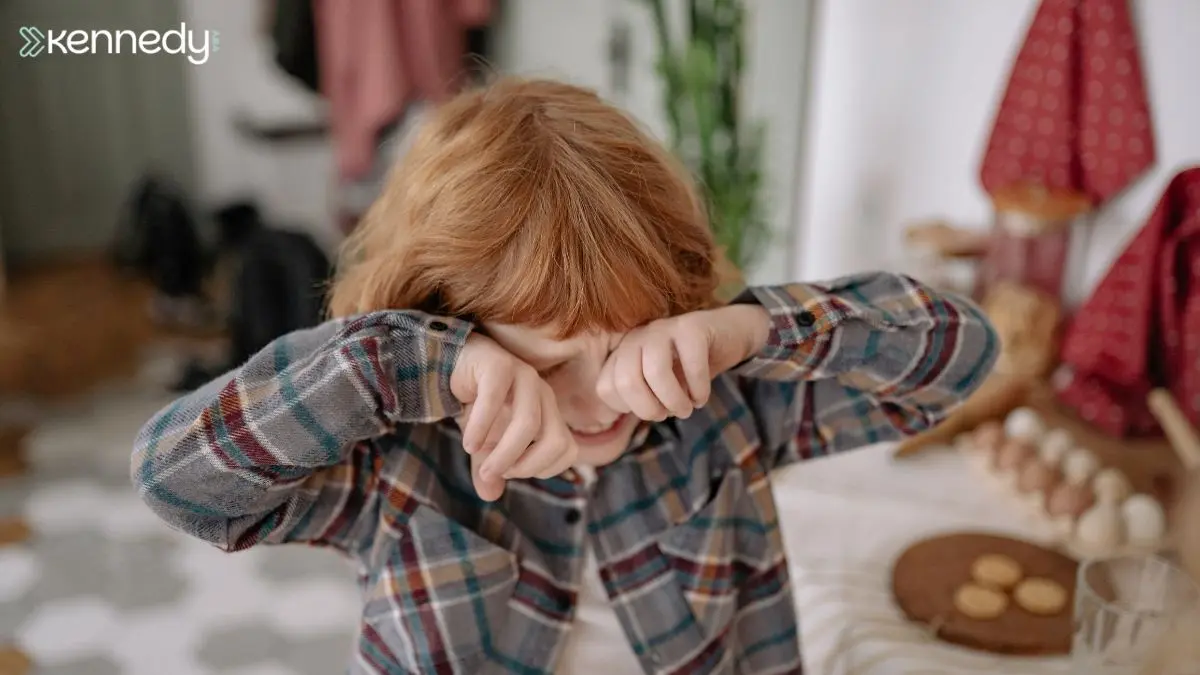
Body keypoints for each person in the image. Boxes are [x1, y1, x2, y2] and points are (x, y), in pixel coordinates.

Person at [131, 77, 998, 675]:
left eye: (627, 342)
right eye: (546, 364)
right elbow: (179, 482)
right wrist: (403, 364)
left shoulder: (723, 407)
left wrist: (754, 325)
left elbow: (957, 361)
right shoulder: (398, 459)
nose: (598, 396)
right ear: (447, 324)